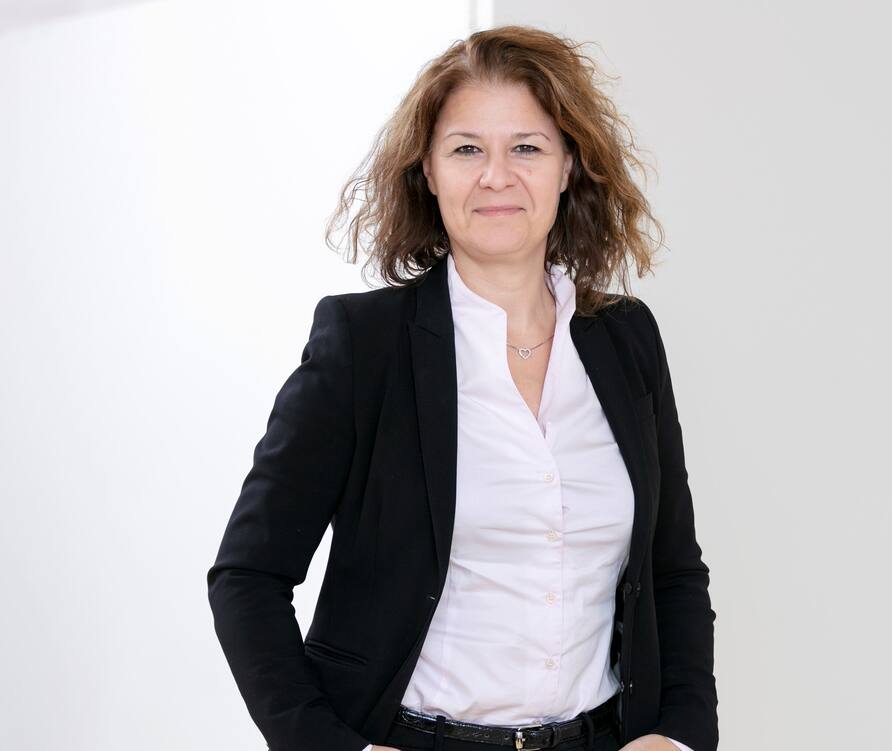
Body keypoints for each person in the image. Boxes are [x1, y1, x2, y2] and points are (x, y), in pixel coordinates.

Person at [206, 25, 717, 751]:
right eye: (467, 149)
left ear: (569, 166)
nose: (496, 176)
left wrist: (683, 732)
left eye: (527, 148)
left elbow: (673, 569)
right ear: (428, 170)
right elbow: (247, 576)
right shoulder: (364, 346)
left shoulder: (625, 339)